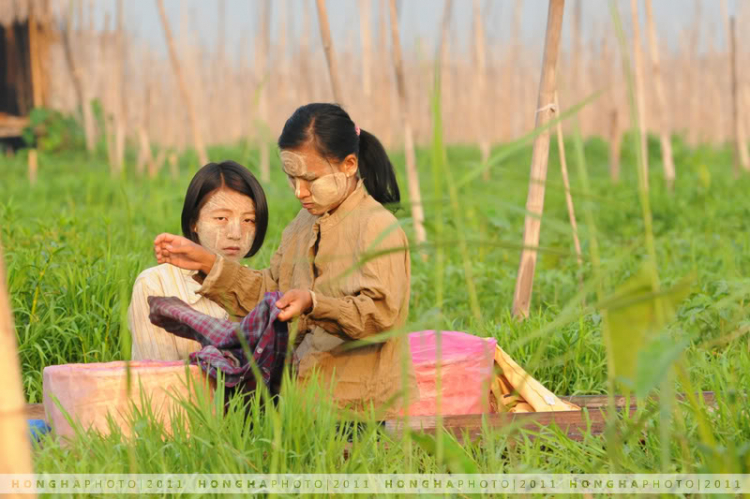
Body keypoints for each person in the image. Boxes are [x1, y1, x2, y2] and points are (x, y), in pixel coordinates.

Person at [153, 103, 414, 417]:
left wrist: (314, 304)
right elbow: (272, 290)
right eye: (292, 179)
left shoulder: (376, 226)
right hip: (298, 398)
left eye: (310, 179)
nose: (299, 192)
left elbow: (379, 315)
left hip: (357, 408)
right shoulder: (302, 224)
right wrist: (208, 262)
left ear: (348, 165)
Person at [128, 160, 268, 361]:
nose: (236, 234)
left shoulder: (259, 289)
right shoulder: (156, 285)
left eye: (248, 220)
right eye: (221, 218)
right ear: (194, 223)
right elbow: (157, 377)